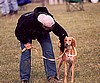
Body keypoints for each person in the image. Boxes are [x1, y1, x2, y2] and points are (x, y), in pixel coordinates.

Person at [15, 7, 68, 83]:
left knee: (48, 51)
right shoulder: (27, 21)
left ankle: (52, 76)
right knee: (26, 54)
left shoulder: (50, 21)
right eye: (48, 28)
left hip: (42, 33)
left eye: (51, 28)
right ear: (42, 25)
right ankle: (24, 79)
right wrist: (25, 42)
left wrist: (63, 47)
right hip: (26, 33)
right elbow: (18, 32)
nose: (50, 29)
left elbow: (62, 34)